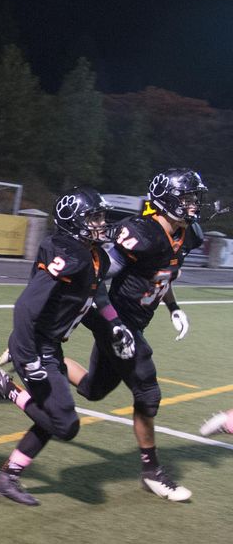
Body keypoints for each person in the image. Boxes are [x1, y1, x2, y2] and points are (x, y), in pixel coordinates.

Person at [0, 187, 133, 506]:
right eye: (94, 218)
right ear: (74, 223)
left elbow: (98, 297)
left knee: (51, 414)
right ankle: (4, 388)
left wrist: (116, 325)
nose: (102, 224)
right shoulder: (68, 254)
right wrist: (28, 357)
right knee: (65, 424)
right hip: (34, 346)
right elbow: (25, 308)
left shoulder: (94, 255)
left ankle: (6, 477)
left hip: (50, 345)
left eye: (101, 217)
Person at [60, 169, 207, 501]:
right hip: (116, 319)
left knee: (93, 390)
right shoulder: (144, 233)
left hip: (136, 321)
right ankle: (152, 472)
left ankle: (45, 358)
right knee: (148, 391)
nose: (194, 206)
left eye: (194, 198)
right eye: (187, 199)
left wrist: (173, 308)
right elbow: (98, 272)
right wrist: (89, 314)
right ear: (167, 201)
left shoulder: (189, 233)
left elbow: (162, 276)